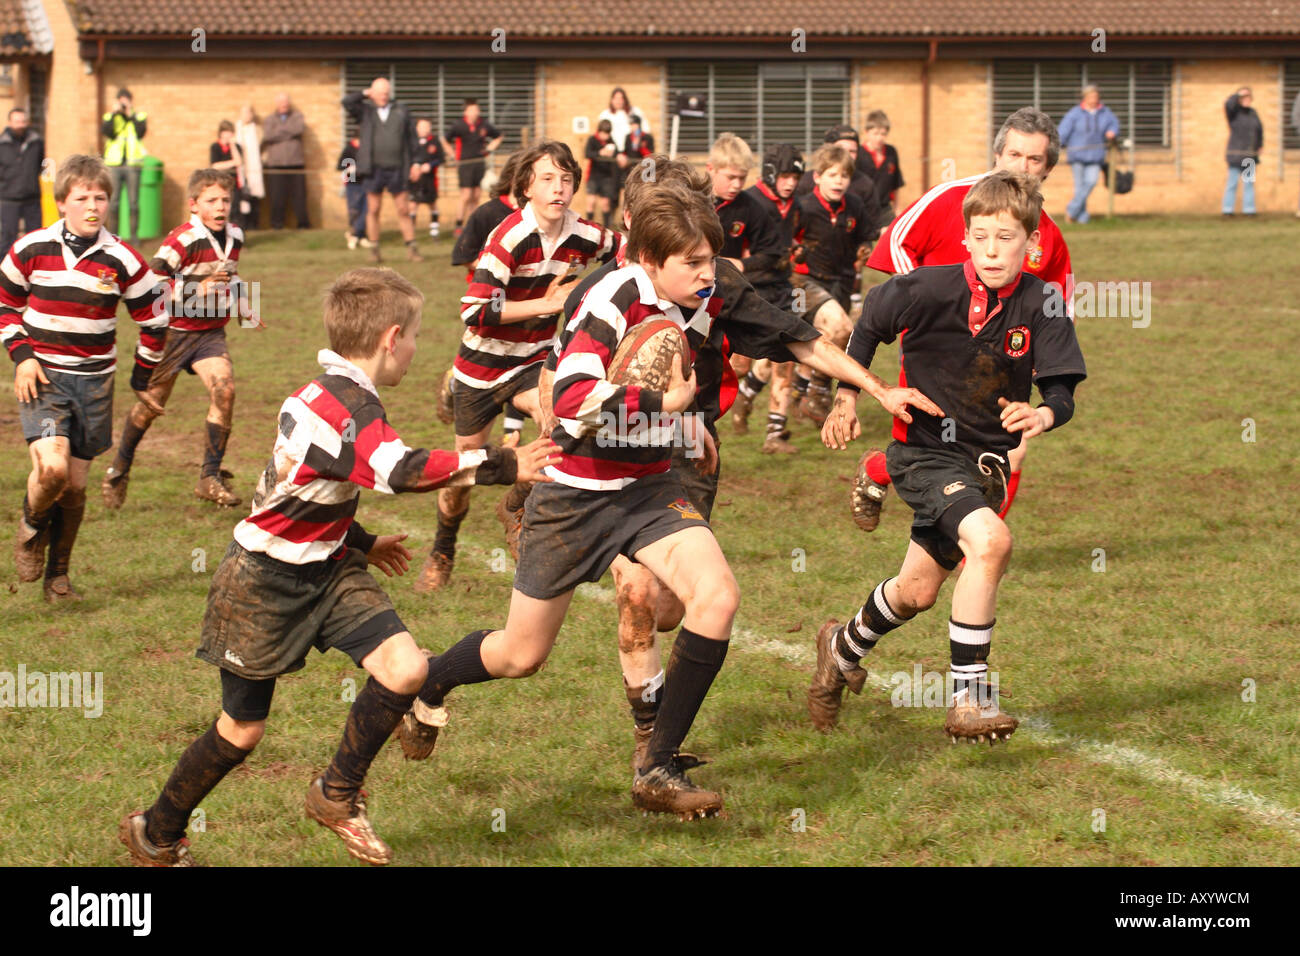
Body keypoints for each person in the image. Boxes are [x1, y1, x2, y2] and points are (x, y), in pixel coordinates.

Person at [489, 154, 930, 774]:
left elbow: (798, 338)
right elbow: (557, 380)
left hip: (683, 450)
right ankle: (653, 748)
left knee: (676, 609)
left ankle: (655, 740)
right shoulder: (601, 291)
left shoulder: (715, 281)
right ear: (636, 227)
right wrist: (548, 446)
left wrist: (875, 389)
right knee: (637, 593)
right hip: (600, 458)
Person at [118, 267, 559, 867]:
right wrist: (504, 463)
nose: (414, 351)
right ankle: (158, 831)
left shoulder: (334, 395)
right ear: (390, 337)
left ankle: (336, 794)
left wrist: (363, 540)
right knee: (242, 731)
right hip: (262, 581)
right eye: (414, 338)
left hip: (330, 566)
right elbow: (398, 471)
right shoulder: (339, 404)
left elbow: (308, 490)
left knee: (404, 669)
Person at [812, 170, 1086, 739]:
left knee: (917, 592)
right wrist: (846, 396)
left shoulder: (1044, 302)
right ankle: (969, 700)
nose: (992, 249)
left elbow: (1062, 391)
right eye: (981, 236)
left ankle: (839, 649)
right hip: (925, 452)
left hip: (985, 465)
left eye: (1006, 238)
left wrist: (1042, 414)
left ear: (1031, 244)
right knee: (992, 542)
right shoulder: (927, 288)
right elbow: (868, 328)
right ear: (965, 237)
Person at [415, 140, 620, 592]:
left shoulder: (584, 234)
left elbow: (626, 249)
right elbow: (474, 311)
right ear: (526, 186)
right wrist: (546, 303)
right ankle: (442, 551)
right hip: (481, 368)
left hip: (535, 362)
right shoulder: (508, 236)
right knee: (463, 473)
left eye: (566, 179)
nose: (559, 188)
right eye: (548, 178)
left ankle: (516, 505)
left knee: (560, 426)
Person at [857, 107, 1074, 532]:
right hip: (934, 346)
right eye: (1014, 155)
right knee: (930, 440)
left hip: (999, 361)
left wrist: (1038, 368)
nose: (1023, 168)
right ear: (997, 156)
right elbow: (898, 239)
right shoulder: (952, 197)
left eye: (1034, 160)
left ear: (1048, 169)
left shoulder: (1045, 235)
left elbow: (1056, 306)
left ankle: (966, 551)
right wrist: (922, 305)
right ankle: (886, 472)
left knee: (1008, 450)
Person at [2, 155, 165, 601]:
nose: (92, 205)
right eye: (82, 197)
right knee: (52, 470)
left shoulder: (123, 258)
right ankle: (31, 527)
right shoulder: (31, 248)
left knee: (74, 487)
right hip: (44, 380)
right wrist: (22, 358)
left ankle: (59, 578)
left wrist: (141, 378)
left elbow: (155, 318)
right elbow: (6, 306)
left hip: (95, 385)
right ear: (61, 204)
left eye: (100, 197)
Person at [101, 168, 258, 511]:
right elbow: (152, 284)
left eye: (226, 200)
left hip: (210, 334)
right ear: (194, 204)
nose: (221, 207)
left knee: (225, 390)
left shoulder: (235, 236)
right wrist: (195, 289)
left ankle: (209, 476)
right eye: (212, 201)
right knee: (151, 406)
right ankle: (119, 468)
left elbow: (231, 276)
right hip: (173, 335)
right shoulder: (181, 240)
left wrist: (245, 303)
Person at [706, 133, 793, 454]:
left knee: (734, 365)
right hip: (687, 296)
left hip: (729, 296)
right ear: (711, 168)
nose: (736, 184)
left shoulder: (751, 208)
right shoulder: (690, 201)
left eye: (742, 178)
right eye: (730, 177)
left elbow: (774, 252)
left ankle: (708, 426)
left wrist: (741, 264)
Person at [789, 144, 879, 425]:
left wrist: (864, 248)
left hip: (839, 282)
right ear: (817, 177)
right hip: (802, 282)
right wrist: (794, 249)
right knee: (839, 328)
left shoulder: (854, 206)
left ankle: (801, 392)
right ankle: (815, 391)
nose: (838, 181)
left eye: (844, 176)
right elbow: (784, 240)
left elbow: (866, 236)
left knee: (825, 339)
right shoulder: (802, 206)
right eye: (832, 174)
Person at [734, 143, 805, 453]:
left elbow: (796, 240)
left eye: (796, 177)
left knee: (787, 357)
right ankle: (736, 398)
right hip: (747, 289)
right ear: (772, 173)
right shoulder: (749, 201)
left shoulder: (795, 206)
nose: (791, 182)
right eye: (786, 176)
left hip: (782, 287)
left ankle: (774, 433)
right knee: (738, 363)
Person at [342, 78, 422, 263]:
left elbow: (413, 139)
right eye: (380, 92)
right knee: (374, 209)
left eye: (386, 92)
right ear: (373, 93)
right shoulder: (365, 112)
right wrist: (364, 94)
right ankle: (375, 249)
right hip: (373, 169)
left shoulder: (401, 111)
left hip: (398, 168)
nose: (384, 95)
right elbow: (347, 102)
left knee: (403, 209)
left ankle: (412, 248)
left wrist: (416, 163)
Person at [1058, 85, 1119, 224]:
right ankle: (1082, 218)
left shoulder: (1105, 112)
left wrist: (1112, 131)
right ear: (1084, 97)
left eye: (1096, 97)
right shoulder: (1075, 113)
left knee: (1091, 182)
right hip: (1077, 154)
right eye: (1091, 96)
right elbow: (1063, 131)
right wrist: (1057, 145)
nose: (1094, 99)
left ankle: (1072, 210)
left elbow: (1114, 124)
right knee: (1079, 186)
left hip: (1096, 155)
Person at [443, 98, 502, 237]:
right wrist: (452, 155)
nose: (474, 113)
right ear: (466, 111)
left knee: (476, 196)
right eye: (471, 110)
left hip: (479, 163)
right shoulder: (458, 125)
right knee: (466, 195)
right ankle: (458, 225)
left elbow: (498, 136)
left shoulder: (484, 124)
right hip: (465, 164)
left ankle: (472, 225)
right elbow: (445, 140)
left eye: (476, 110)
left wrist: (489, 149)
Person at [101, 88, 148, 243]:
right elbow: (107, 132)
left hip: (133, 165)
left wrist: (130, 114)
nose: (123, 103)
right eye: (121, 100)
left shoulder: (138, 116)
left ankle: (134, 237)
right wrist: (115, 114)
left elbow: (141, 132)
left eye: (126, 100)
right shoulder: (110, 116)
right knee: (113, 202)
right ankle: (113, 236)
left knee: (133, 203)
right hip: (114, 165)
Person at [262, 93, 311, 230]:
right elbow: (268, 135)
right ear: (277, 104)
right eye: (281, 102)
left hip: (296, 163)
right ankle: (277, 225)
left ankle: (303, 225)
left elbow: (298, 129)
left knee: (299, 196)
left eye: (286, 102)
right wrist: (288, 133)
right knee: (277, 196)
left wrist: (278, 133)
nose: (284, 105)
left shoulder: (297, 116)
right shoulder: (269, 119)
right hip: (275, 165)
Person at [0, 108, 44, 257]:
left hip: (32, 197)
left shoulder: (36, 141)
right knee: (7, 239)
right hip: (8, 198)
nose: (21, 125)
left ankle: (33, 272)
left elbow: (40, 164)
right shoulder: (2, 143)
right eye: (17, 121)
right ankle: (4, 275)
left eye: (23, 121)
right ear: (10, 122)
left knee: (35, 239)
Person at [856, 110, 904, 229]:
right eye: (875, 133)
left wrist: (897, 210)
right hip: (863, 208)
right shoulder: (859, 154)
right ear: (867, 132)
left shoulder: (891, 152)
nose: (879, 138)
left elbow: (895, 184)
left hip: (885, 209)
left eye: (883, 134)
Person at [1223, 87, 1263, 217]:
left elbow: (1259, 130)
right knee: (1232, 183)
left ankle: (1249, 210)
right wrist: (1238, 94)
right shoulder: (1234, 113)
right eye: (1243, 97)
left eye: (1248, 97)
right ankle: (1227, 210)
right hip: (1235, 155)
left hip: (1249, 156)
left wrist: (1260, 145)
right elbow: (1228, 104)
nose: (1246, 100)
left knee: (1249, 183)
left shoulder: (1253, 113)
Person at [409, 118, 444, 238]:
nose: (424, 129)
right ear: (417, 128)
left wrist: (430, 165)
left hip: (430, 179)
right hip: (415, 179)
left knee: (432, 203)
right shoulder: (411, 141)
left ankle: (434, 231)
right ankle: (410, 232)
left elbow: (441, 158)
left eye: (427, 126)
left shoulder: (434, 141)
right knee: (413, 204)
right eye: (422, 126)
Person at [208, 121, 246, 230]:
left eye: (231, 132)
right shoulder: (215, 146)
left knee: (235, 211)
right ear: (221, 133)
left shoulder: (236, 147)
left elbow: (239, 161)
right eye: (227, 131)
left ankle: (237, 238)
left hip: (234, 184)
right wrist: (232, 163)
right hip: (219, 184)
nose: (229, 135)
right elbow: (215, 165)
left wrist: (232, 145)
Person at [583, 119, 620, 228]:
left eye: (608, 133)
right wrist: (600, 153)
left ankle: (606, 228)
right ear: (599, 131)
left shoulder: (611, 142)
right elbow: (587, 153)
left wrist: (613, 154)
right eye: (604, 133)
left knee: (605, 203)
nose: (606, 136)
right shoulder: (592, 140)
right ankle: (588, 226)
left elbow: (616, 154)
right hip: (593, 176)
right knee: (591, 202)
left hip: (606, 177)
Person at [234, 106, 264, 230]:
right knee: (242, 198)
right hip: (241, 168)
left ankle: (254, 225)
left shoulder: (257, 130)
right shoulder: (236, 129)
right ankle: (242, 225)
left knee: (254, 197)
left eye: (248, 113)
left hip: (254, 167)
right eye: (244, 113)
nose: (246, 115)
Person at [337, 134, 369, 250]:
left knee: (367, 210)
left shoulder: (368, 147)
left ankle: (357, 235)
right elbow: (341, 166)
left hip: (367, 182)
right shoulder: (349, 149)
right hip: (353, 182)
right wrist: (350, 168)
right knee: (354, 210)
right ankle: (357, 234)